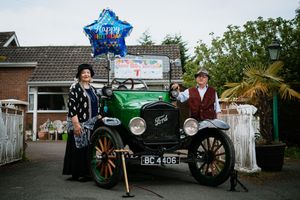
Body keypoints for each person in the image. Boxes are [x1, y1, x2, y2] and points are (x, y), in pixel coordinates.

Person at [62, 63, 100, 182]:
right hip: (79, 123)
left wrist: (99, 115)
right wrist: (76, 124)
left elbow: (97, 105)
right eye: (83, 73)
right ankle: (77, 174)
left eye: (88, 72)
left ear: (91, 75)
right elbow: (72, 106)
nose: (86, 74)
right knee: (77, 148)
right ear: (79, 75)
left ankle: (87, 173)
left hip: (91, 124)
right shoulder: (75, 87)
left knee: (88, 149)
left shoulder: (93, 89)